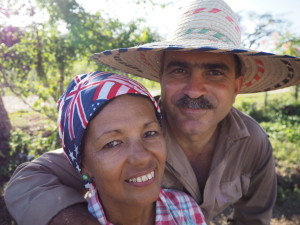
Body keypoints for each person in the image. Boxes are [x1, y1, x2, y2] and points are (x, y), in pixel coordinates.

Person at [4, 0, 300, 224]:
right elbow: (29, 179)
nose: (194, 90)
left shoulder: (253, 143)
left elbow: (254, 217)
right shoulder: (133, 125)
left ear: (238, 86)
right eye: (179, 69)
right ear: (161, 79)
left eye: (214, 72)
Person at [55, 71, 206, 225]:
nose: (142, 157)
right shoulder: (71, 219)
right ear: (83, 164)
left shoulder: (184, 208)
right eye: (112, 143)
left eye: (150, 133)